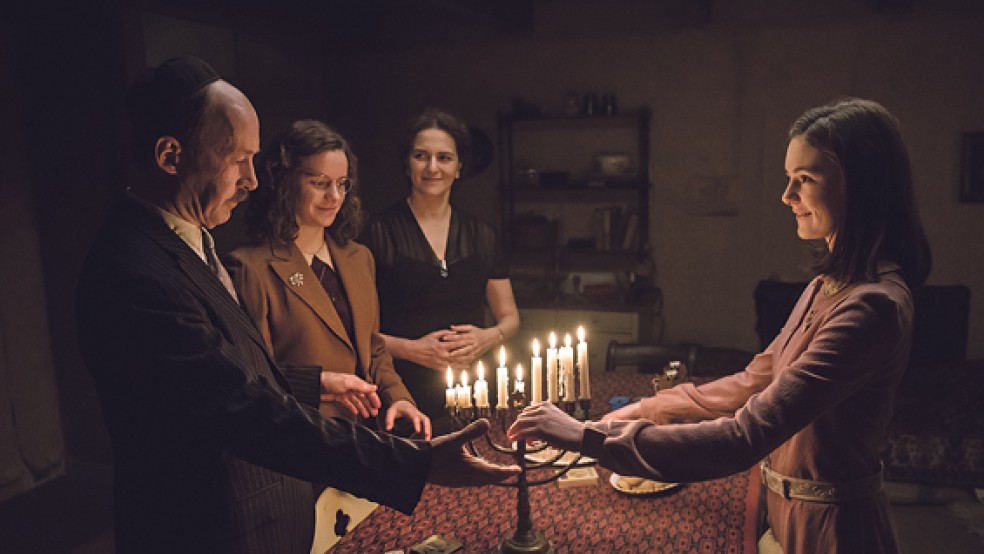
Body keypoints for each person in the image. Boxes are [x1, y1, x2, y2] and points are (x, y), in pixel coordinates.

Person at [76, 56, 518, 554]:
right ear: (170, 156)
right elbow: (239, 408)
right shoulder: (135, 269)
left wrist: (323, 383)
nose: (251, 179)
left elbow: (238, 374)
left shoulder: (191, 242)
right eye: (235, 158)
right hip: (214, 531)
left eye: (253, 158)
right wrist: (413, 463)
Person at [508, 98, 931, 554]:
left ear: (861, 185)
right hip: (789, 517)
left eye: (804, 180)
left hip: (834, 532)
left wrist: (584, 436)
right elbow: (756, 382)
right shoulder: (828, 284)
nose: (786, 196)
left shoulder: (872, 307)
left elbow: (744, 436)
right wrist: (642, 411)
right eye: (789, 179)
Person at [227, 120, 431, 439]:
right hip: (305, 443)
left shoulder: (358, 258)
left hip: (369, 440)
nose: (334, 196)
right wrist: (321, 382)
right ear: (285, 182)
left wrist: (400, 399)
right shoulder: (250, 268)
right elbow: (255, 377)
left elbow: (373, 349)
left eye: (342, 183)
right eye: (320, 182)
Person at [361, 108, 520, 424]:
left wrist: (489, 338)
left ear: (459, 166)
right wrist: (411, 349)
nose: (432, 167)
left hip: (472, 393)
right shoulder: (375, 232)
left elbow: (510, 318)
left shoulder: (483, 235)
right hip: (399, 395)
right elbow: (354, 330)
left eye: (444, 158)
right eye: (421, 156)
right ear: (408, 163)